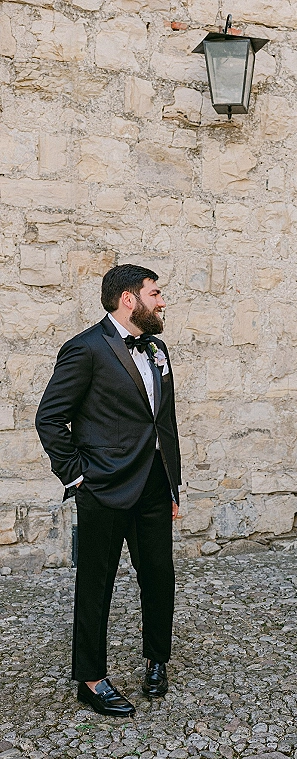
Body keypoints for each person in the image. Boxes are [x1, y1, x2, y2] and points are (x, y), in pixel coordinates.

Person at [35, 264, 181, 718]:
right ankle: (91, 680)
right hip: (103, 488)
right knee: (95, 585)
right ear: (128, 299)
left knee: (159, 576)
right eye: (155, 293)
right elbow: (50, 417)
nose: (162, 301)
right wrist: (78, 478)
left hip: (154, 485)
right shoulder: (84, 349)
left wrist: (173, 482)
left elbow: (163, 422)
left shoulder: (157, 348)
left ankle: (156, 659)